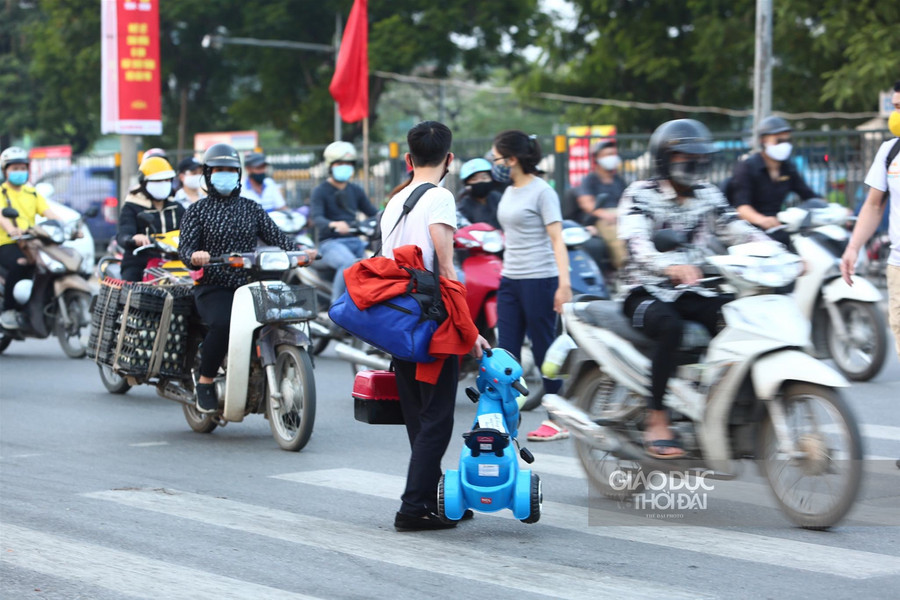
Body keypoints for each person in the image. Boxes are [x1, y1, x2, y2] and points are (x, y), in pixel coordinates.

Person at [618, 119, 773, 459]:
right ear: (663, 157)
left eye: (699, 156)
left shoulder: (708, 193)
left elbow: (736, 228)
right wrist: (668, 265)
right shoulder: (640, 194)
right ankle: (656, 416)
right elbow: (637, 244)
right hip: (644, 289)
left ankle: (718, 402)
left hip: (694, 288)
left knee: (736, 316)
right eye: (683, 155)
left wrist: (777, 252)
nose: (693, 162)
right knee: (670, 327)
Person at [379, 121, 489, 531]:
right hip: (431, 322)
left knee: (418, 416)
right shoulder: (440, 197)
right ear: (450, 160)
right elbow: (446, 269)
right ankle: (412, 508)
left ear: (408, 159)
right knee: (437, 418)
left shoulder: (396, 200)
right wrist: (469, 329)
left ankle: (432, 498)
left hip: (398, 319)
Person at [179, 143, 308, 414]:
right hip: (213, 286)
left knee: (282, 317)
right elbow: (185, 249)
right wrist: (196, 255)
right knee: (224, 324)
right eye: (218, 170)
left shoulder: (251, 208)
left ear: (238, 174)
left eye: (230, 170)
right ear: (208, 174)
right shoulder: (197, 211)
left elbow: (278, 238)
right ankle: (205, 381)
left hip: (249, 284)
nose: (224, 175)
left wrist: (301, 252)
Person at [491, 130, 573, 442]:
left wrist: (564, 286)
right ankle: (500, 418)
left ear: (512, 159)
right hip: (510, 279)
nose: (493, 163)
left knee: (543, 351)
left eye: (496, 158)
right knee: (505, 352)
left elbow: (557, 240)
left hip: (540, 280)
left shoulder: (542, 191)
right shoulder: (509, 191)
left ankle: (559, 418)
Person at [840, 80, 900, 468]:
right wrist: (853, 247)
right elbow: (874, 204)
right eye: (895, 106)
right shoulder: (890, 150)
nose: (897, 115)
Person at [728, 115, 821, 249]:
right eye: (779, 140)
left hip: (778, 228)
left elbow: (809, 196)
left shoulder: (788, 168)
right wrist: (762, 220)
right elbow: (742, 208)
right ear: (763, 140)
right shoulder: (747, 167)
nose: (784, 144)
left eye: (787, 140)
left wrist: (831, 209)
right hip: (749, 233)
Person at [0, 146, 67, 329]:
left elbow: (49, 213)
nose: (19, 172)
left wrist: (69, 227)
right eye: (14, 168)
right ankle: (8, 310)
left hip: (31, 241)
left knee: (49, 264)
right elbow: (2, 215)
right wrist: (12, 230)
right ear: (5, 171)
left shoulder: (32, 193)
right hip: (7, 242)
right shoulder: (1, 192)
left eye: (22, 168)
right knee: (20, 263)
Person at [310, 141, 378, 303]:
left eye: (348, 164)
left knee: (376, 265)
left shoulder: (355, 190)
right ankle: (337, 314)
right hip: (331, 243)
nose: (345, 167)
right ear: (330, 166)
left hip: (356, 241)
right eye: (340, 163)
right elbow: (317, 218)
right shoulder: (320, 191)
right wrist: (333, 225)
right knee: (348, 264)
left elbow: (373, 214)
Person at [116, 156, 184, 282]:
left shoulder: (177, 207)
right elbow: (123, 233)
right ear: (144, 182)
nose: (163, 184)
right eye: (157, 181)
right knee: (131, 289)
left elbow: (189, 231)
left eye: (166, 180)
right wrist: (133, 238)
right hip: (140, 262)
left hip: (175, 262)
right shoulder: (132, 207)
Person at [575, 139, 628, 272]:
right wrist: (606, 215)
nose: (612, 157)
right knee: (616, 235)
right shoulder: (590, 180)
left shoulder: (618, 180)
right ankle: (624, 269)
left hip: (621, 216)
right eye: (608, 154)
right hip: (601, 219)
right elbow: (587, 204)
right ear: (597, 158)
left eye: (613, 154)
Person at [456, 158, 501, 229]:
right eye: (474, 179)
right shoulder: (463, 206)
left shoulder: (498, 198)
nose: (480, 181)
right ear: (466, 183)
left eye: (484, 177)